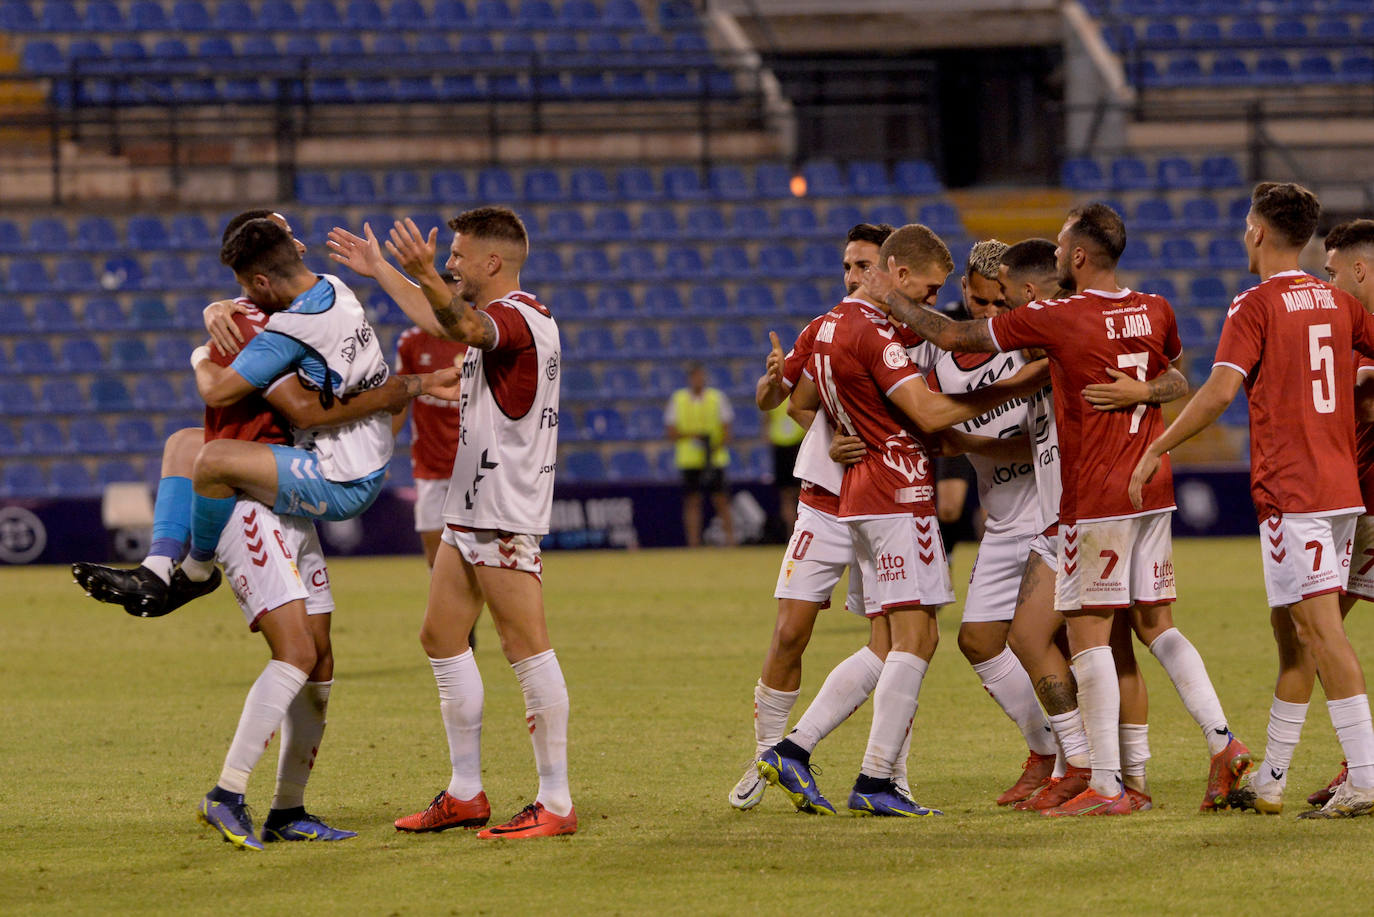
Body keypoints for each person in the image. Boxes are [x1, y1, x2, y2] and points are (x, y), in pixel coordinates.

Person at [871, 209, 1250, 817]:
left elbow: (953, 337)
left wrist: (890, 297)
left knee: (1088, 638)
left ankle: (1102, 781)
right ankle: (1211, 745)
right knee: (1150, 630)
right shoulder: (1154, 307)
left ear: (1074, 258)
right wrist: (1144, 391)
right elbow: (1178, 377)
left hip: (1092, 496)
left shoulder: (1059, 317)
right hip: (1151, 490)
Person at [769, 223, 1049, 817]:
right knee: (916, 638)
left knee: (891, 640)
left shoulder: (826, 328)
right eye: (926, 290)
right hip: (897, 489)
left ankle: (800, 750)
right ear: (896, 275)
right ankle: (868, 776)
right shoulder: (871, 330)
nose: (931, 302)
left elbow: (798, 399)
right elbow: (926, 410)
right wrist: (1017, 384)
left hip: (866, 494)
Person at [73, 211, 454, 616]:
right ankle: (156, 567)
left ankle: (197, 570)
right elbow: (248, 311)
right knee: (184, 443)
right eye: (288, 235)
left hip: (339, 473)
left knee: (213, 461)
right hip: (336, 455)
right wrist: (217, 307)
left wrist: (200, 354)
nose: (300, 243)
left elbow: (238, 395)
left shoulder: (288, 326)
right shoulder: (332, 287)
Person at [331, 209, 574, 838]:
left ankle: (556, 802)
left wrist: (417, 273)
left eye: (460, 256)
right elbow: (442, 318)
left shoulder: (517, 317)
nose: (449, 265)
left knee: (526, 648)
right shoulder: (503, 321)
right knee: (441, 638)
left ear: (493, 263)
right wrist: (383, 269)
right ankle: (466, 791)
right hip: (468, 508)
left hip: (501, 510)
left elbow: (459, 321)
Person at [1133, 189, 1374, 819]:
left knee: (1321, 632)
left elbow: (1217, 393)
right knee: (1294, 636)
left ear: (1258, 233)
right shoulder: (1339, 302)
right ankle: (1271, 779)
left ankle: (1367, 779)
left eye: (1247, 229)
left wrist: (1157, 445)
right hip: (1338, 489)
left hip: (1297, 491)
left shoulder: (1256, 303)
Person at [732, 223, 901, 812]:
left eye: (863, 265)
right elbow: (773, 400)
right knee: (790, 631)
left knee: (895, 643)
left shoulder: (906, 336)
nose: (852, 276)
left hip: (886, 505)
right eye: (848, 265)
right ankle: (768, 758)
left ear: (893, 272)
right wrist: (774, 381)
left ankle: (888, 773)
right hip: (826, 502)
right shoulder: (824, 329)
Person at [924, 239, 1061, 805]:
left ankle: (1095, 762)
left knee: (1068, 647)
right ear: (966, 292)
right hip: (1003, 521)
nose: (989, 315)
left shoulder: (1032, 342)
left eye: (996, 303)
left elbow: (1040, 446)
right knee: (979, 641)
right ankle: (1047, 749)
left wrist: (965, 437)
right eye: (979, 303)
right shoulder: (942, 354)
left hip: (1050, 513)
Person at [393, 290, 468, 568]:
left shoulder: (477, 341)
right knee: (436, 558)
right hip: (429, 467)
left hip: (473, 467)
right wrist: (384, 449)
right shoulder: (411, 342)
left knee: (477, 557)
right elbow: (400, 399)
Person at [666, 362, 735, 547]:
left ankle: (731, 541)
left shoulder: (717, 398)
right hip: (689, 459)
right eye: (694, 376)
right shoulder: (678, 399)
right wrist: (692, 436)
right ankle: (693, 543)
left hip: (714, 458)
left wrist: (713, 447)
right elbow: (671, 432)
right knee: (692, 501)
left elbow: (727, 430)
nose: (698, 380)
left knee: (720, 500)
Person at [765, 401, 804, 538]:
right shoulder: (797, 392)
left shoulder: (777, 394)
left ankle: (795, 535)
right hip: (786, 447)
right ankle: (793, 534)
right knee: (790, 495)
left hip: (795, 445)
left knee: (795, 495)